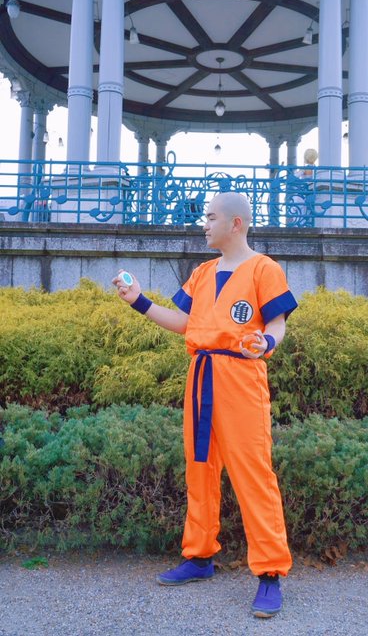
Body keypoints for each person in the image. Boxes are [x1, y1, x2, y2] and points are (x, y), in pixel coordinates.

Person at [112, 192, 298, 618]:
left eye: (211, 217)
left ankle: (270, 571)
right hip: (201, 376)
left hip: (241, 378)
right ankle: (199, 556)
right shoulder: (202, 272)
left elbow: (277, 322)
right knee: (200, 468)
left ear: (236, 223)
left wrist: (267, 342)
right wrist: (138, 300)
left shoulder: (264, 269)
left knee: (253, 473)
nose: (204, 224)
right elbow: (185, 323)